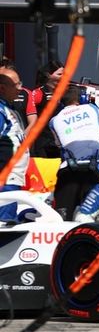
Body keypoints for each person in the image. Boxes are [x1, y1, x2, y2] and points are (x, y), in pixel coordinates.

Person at [49, 85, 99, 219]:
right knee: (93, 217)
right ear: (82, 99)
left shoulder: (54, 121)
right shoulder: (92, 109)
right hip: (92, 171)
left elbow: (59, 144)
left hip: (68, 172)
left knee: (62, 218)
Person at [0, 68, 28, 222]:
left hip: (12, 180)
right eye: (16, 85)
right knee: (4, 228)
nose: (20, 89)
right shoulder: (1, 111)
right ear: (2, 88)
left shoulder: (10, 109)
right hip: (5, 182)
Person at [25, 59, 65, 158]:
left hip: (62, 141)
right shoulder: (38, 93)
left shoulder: (66, 93)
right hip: (44, 143)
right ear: (48, 75)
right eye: (60, 74)